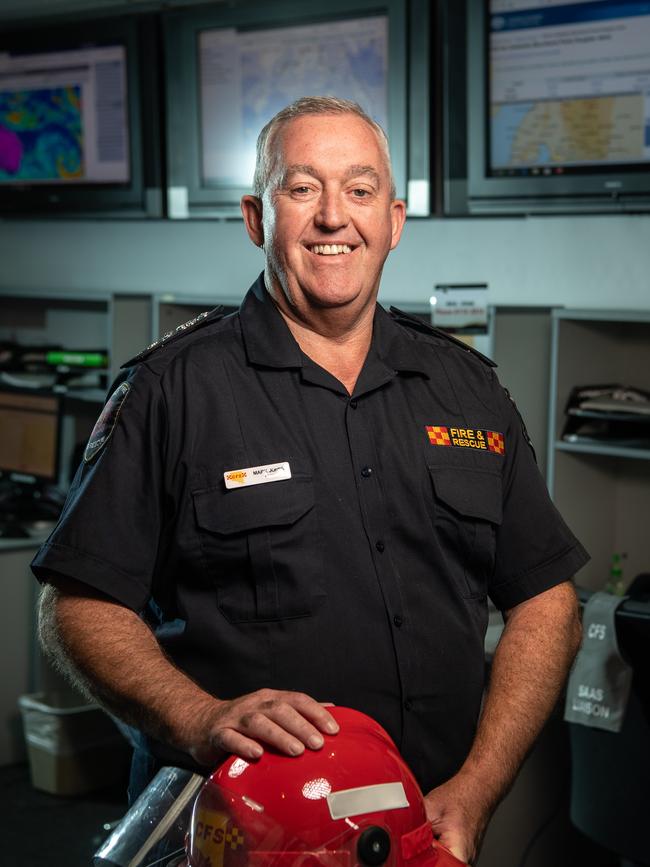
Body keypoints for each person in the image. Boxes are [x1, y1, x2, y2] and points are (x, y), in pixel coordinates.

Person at [34, 96, 587, 865]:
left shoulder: (469, 389)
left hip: (419, 835)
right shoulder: (172, 389)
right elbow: (78, 604)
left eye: (359, 191)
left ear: (393, 221)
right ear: (258, 217)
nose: (335, 217)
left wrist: (479, 785)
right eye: (303, 189)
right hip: (233, 834)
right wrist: (197, 716)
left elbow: (546, 599)